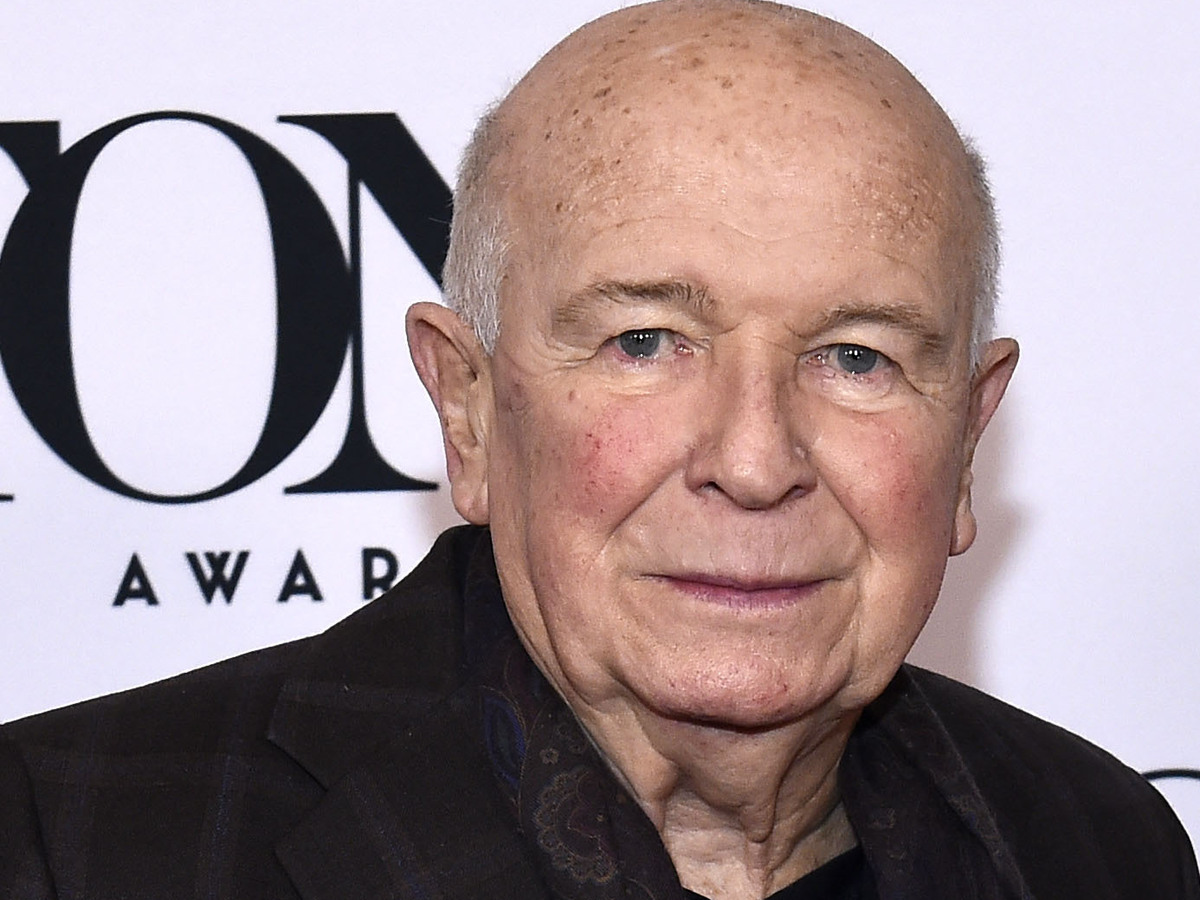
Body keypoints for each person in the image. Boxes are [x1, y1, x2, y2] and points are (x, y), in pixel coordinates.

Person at [2, 1, 1196, 897]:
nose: (755, 460)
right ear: (468, 408)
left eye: (856, 357)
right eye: (645, 341)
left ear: (969, 439)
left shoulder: (1098, 843)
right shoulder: (68, 844)